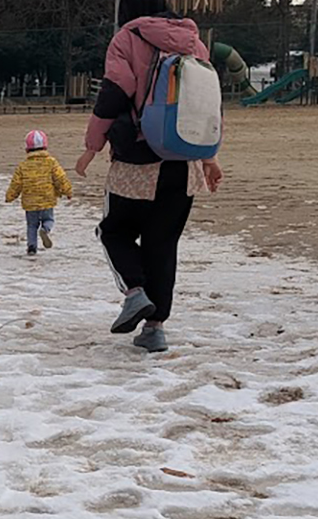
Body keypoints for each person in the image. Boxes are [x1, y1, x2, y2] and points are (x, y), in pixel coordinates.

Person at [75, 0, 226, 353]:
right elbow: (206, 105)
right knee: (162, 244)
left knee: (114, 231)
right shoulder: (194, 41)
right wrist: (210, 158)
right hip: (183, 161)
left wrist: (92, 146)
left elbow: (114, 92)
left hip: (136, 162)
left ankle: (134, 292)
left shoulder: (127, 38)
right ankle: (155, 328)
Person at [6, 129, 74, 257]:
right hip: (47, 199)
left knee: (31, 225)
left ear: (27, 149)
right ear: (45, 147)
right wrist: (67, 191)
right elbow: (60, 178)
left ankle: (32, 248)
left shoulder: (23, 166)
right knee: (48, 219)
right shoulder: (51, 162)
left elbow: (16, 183)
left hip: (30, 202)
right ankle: (45, 230)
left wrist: (10, 196)